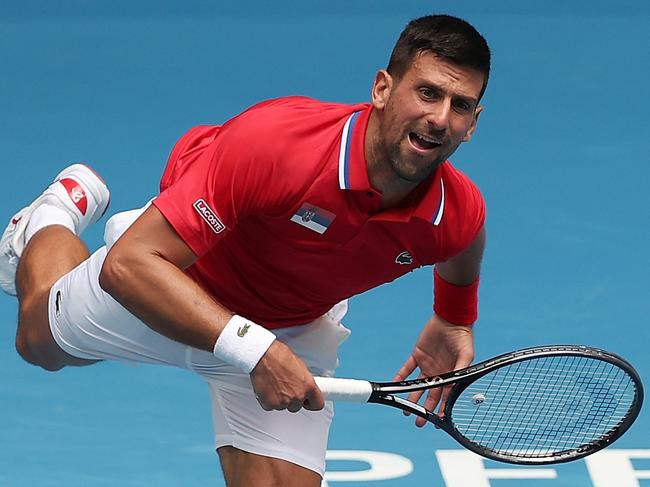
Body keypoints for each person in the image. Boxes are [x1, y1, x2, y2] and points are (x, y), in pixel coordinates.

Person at [0, 14, 490, 487]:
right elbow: (130, 263)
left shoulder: (457, 211)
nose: (440, 118)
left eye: (461, 105)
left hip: (287, 331)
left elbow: (464, 245)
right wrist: (253, 350)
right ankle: (48, 218)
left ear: (473, 123)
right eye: (427, 92)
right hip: (176, 281)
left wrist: (454, 317)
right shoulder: (279, 146)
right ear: (383, 88)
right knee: (37, 342)